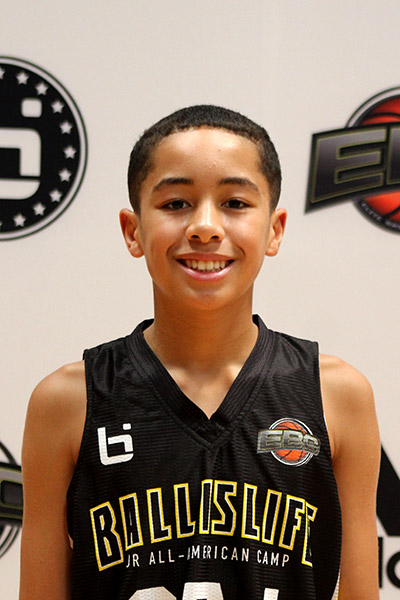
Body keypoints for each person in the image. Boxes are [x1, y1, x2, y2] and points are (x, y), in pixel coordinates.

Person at [19, 105, 380, 600]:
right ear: (132, 230)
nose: (205, 227)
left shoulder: (336, 395)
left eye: (234, 202)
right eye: (175, 203)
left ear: (274, 230)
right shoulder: (67, 402)